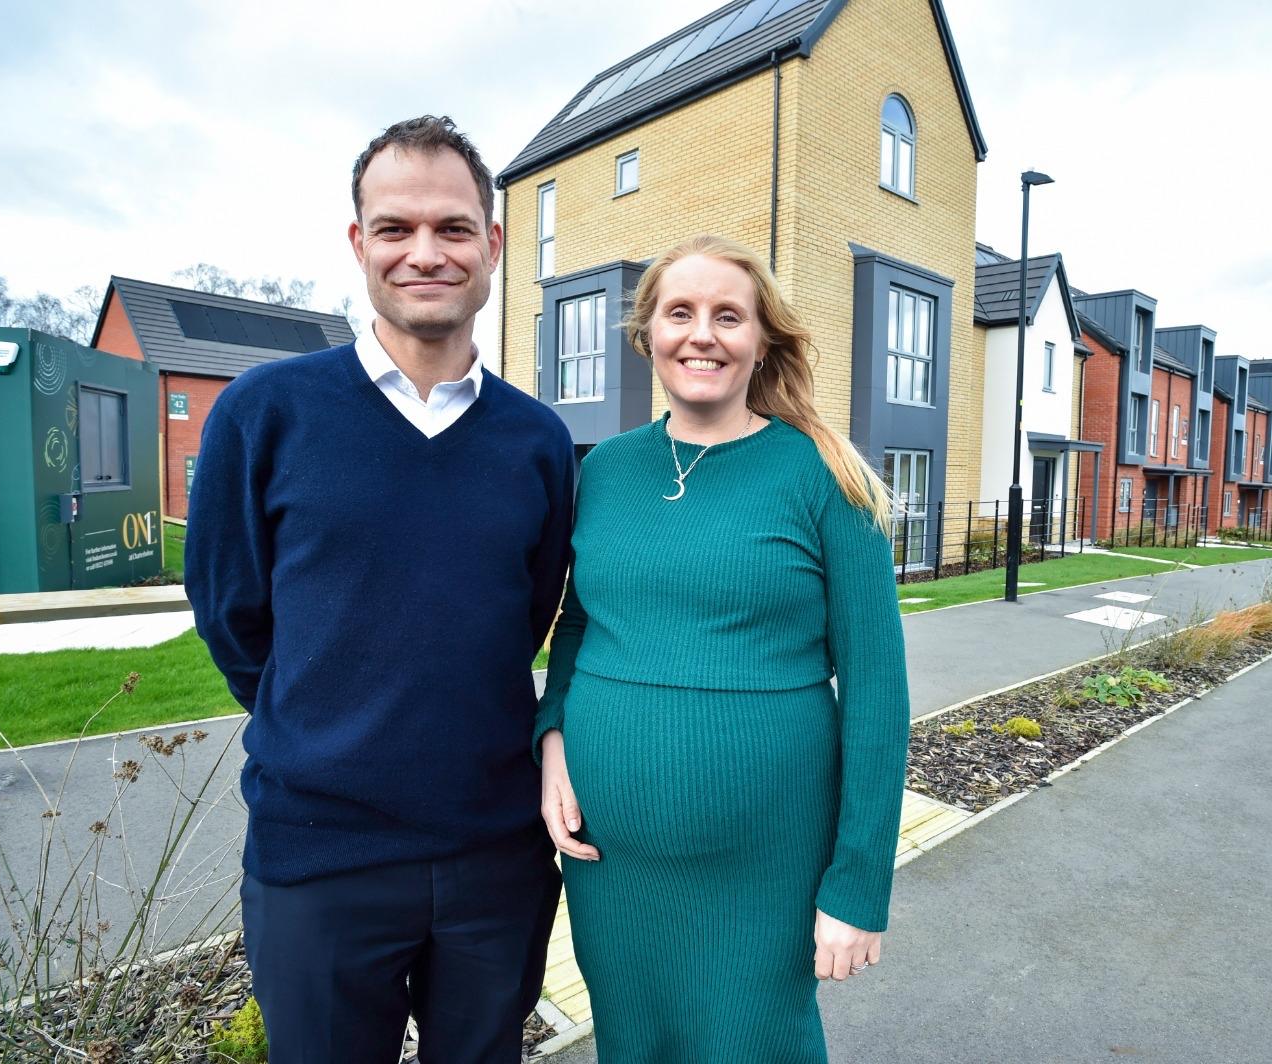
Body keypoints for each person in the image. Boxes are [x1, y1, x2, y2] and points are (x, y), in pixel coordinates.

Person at [185, 115, 575, 1064]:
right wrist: (326, 717)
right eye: (395, 229)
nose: (424, 252)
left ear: (492, 244)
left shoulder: (538, 441)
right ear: (359, 246)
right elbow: (234, 614)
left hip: (495, 853)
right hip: (320, 855)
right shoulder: (264, 414)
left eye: (451, 228)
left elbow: (522, 616)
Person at [535, 234, 910, 1062]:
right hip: (613, 861)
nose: (701, 334)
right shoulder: (604, 472)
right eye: (681, 312)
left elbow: (879, 700)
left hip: (765, 866)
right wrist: (552, 739)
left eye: (727, 316)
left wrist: (858, 884)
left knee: (755, 1043)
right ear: (648, 335)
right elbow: (580, 623)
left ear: (762, 338)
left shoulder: (824, 477)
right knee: (633, 1043)